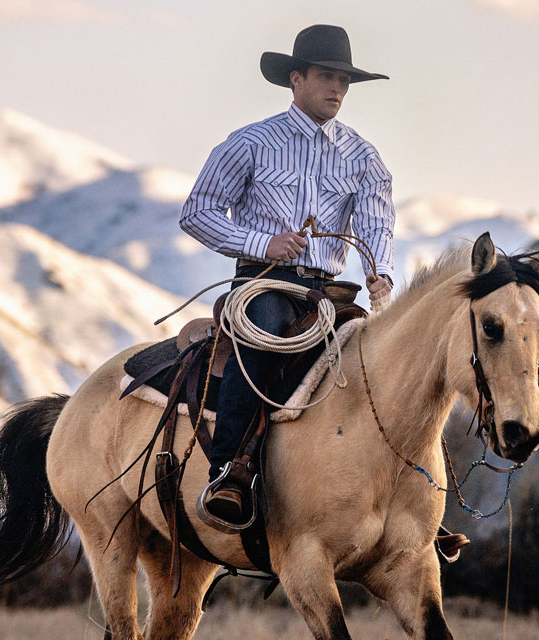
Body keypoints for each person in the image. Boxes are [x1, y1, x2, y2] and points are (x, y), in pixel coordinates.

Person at [180, 24, 395, 525]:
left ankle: (399, 491)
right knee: (264, 340)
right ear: (295, 79)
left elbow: (376, 221)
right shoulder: (251, 142)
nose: (337, 88)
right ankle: (229, 470)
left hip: (329, 292)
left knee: (383, 363)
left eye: (344, 79)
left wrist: (380, 273)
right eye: (326, 76)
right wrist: (263, 242)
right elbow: (198, 211)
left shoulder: (363, 157)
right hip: (263, 282)